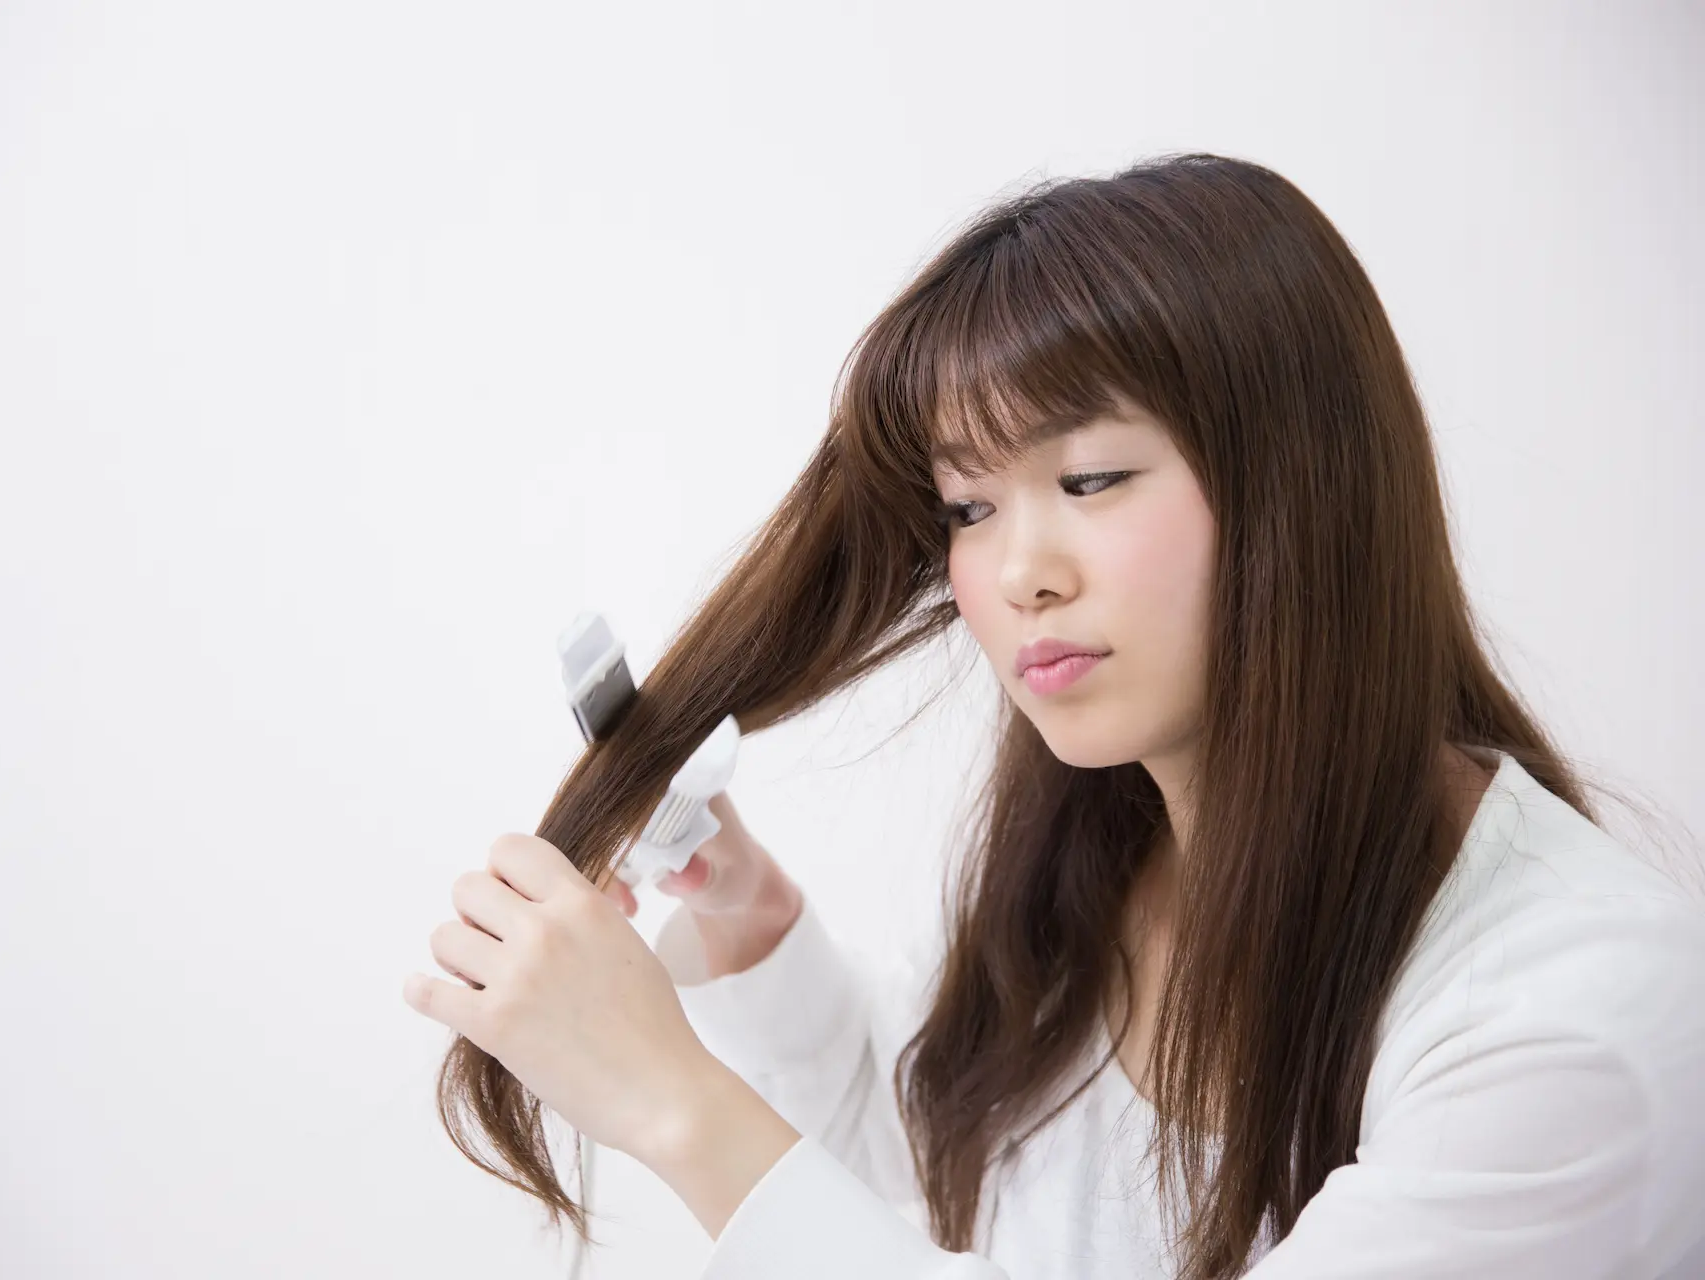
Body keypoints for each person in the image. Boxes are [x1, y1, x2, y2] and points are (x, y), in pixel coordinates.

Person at [407, 152, 1705, 1277]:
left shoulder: (1578, 1021)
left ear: (1309, 490)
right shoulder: (1112, 865)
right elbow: (956, 1220)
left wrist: (671, 1103)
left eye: (1089, 477)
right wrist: (753, 936)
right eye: (970, 506)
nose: (1020, 569)